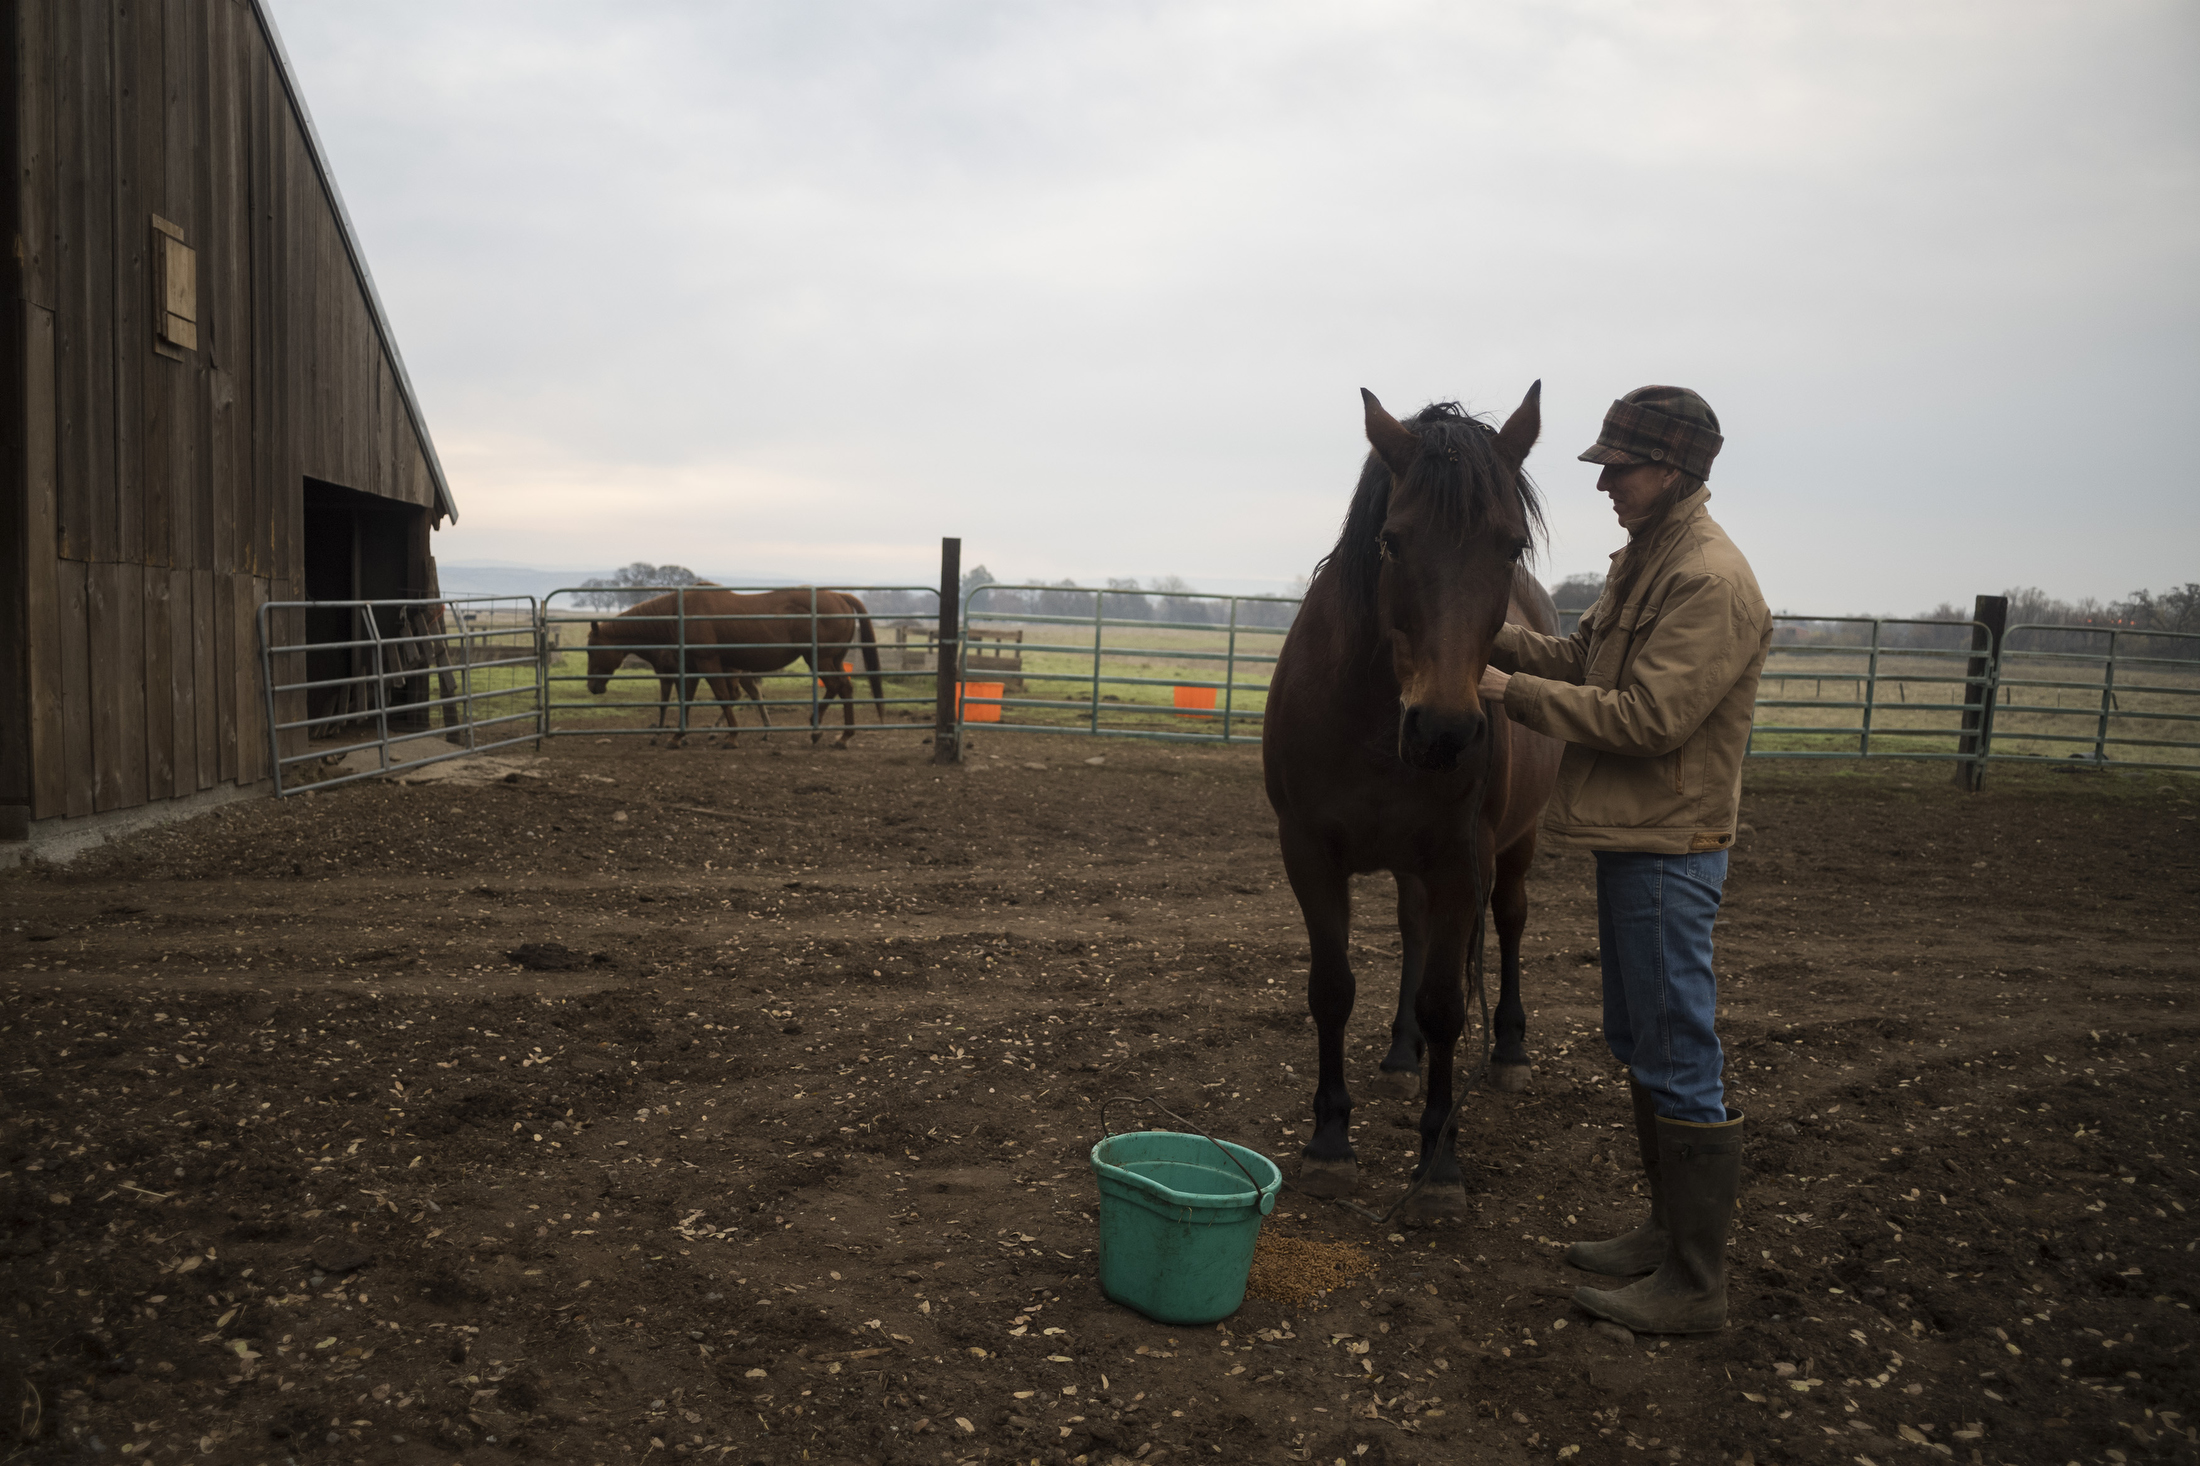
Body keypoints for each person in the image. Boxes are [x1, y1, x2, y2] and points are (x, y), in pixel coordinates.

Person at [1477, 386, 1771, 1334]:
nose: (1604, 483)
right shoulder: (1646, 560)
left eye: (1620, 467)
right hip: (1631, 839)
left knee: (1678, 1049)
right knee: (1640, 1041)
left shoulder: (1709, 582)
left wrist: (1504, 690)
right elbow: (1581, 659)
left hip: (1667, 845)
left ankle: (1693, 1280)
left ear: (1675, 471)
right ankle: (1662, 1232)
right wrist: (1474, 634)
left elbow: (1649, 719)